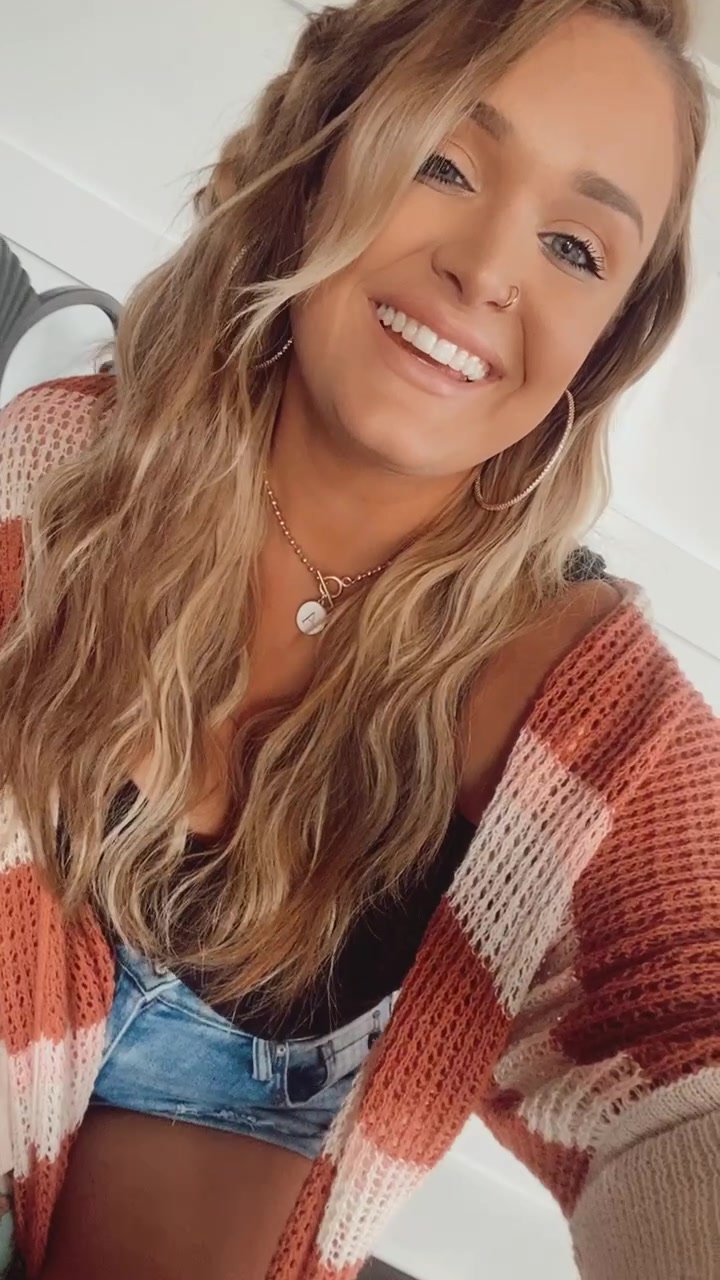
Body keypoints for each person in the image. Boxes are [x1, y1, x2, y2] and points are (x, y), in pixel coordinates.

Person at [0, 0, 718, 1276]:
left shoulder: (604, 725)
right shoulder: (55, 470)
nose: (488, 271)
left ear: (611, 335)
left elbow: (691, 1049)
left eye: (574, 245)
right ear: (324, 153)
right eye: (445, 162)